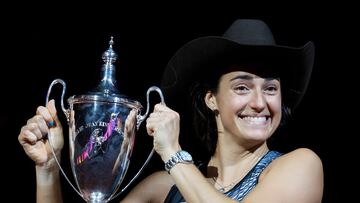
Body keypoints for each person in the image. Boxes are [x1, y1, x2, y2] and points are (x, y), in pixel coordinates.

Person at [18, 19, 323, 203]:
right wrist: (48, 170)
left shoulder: (300, 167)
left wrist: (173, 154)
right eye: (242, 87)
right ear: (211, 99)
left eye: (270, 88)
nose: (259, 102)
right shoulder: (165, 188)